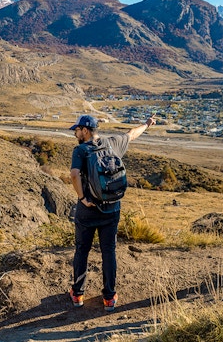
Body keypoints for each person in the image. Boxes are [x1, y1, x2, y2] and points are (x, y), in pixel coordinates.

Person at [68, 114, 156, 312]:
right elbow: (132, 134)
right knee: (109, 251)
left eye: (77, 130)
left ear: (85, 130)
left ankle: (78, 294)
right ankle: (109, 297)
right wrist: (147, 124)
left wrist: (83, 198)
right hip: (111, 209)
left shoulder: (81, 150)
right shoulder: (113, 143)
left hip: (88, 210)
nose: (75, 133)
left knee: (82, 250)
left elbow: (74, 174)